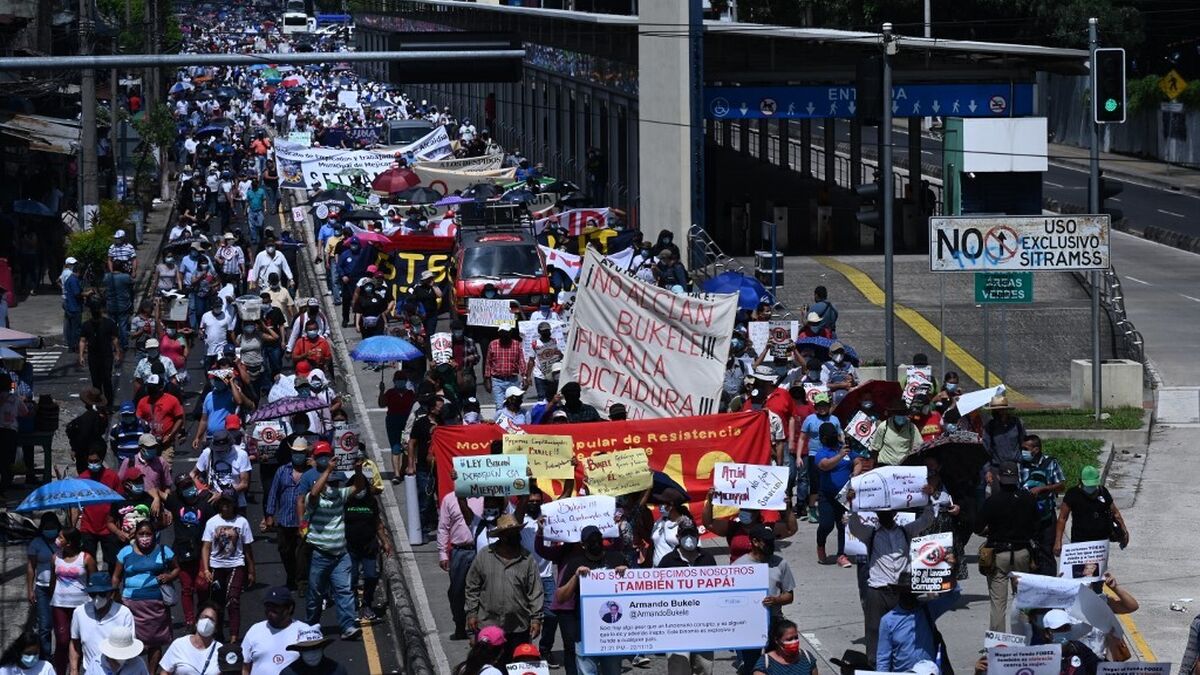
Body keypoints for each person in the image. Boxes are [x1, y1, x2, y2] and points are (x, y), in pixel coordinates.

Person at [846, 499, 935, 667]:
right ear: (877, 515)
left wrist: (927, 500)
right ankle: (874, 665)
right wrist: (853, 504)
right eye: (881, 513)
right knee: (874, 630)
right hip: (877, 590)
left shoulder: (906, 531)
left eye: (888, 513)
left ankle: (899, 663)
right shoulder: (870, 534)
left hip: (902, 591)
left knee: (904, 630)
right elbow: (854, 526)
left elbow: (926, 520)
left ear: (895, 514)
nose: (885, 516)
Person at [301, 453, 360, 640]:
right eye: (331, 483)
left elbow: (358, 486)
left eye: (337, 483)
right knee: (315, 594)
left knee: (345, 590)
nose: (335, 487)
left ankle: (348, 626)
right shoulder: (315, 499)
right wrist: (328, 470)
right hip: (320, 554)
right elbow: (315, 492)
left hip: (340, 554)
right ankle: (311, 625)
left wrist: (358, 468)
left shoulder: (340, 496)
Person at [465, 513, 544, 654]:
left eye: (516, 532)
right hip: (488, 625)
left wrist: (536, 619)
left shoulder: (527, 559)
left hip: (518, 627)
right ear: (502, 536)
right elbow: (472, 586)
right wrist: (471, 613)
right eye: (511, 533)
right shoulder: (484, 555)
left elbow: (535, 591)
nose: (516, 536)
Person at [555, 525, 628, 675]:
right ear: (583, 544)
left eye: (598, 539)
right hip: (584, 631)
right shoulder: (575, 562)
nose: (595, 543)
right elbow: (561, 597)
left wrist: (627, 574)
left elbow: (636, 590)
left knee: (613, 671)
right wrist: (576, 577)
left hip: (613, 631)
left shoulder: (616, 558)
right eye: (591, 541)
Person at [975, 461, 1039, 631]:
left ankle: (998, 645)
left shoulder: (992, 501)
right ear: (1017, 477)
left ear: (998, 477)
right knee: (1023, 600)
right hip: (1022, 553)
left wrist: (989, 531)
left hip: (999, 553)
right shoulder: (1028, 498)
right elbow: (1036, 525)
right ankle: (1025, 638)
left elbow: (977, 527)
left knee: (998, 603)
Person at [112, 519, 177, 673]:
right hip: (130, 604)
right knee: (129, 642)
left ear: (154, 535)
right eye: (141, 534)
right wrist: (115, 595)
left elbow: (176, 569)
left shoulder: (164, 550)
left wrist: (169, 577)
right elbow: (116, 576)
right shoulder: (125, 552)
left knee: (155, 643)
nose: (145, 537)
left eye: (148, 534)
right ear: (135, 535)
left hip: (156, 605)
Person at [657, 524, 717, 675]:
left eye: (692, 535)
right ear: (678, 537)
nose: (689, 539)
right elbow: (657, 593)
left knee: (705, 667)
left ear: (698, 537)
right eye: (685, 534)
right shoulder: (667, 561)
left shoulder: (708, 558)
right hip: (676, 626)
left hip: (704, 625)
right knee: (679, 668)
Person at [737, 526, 797, 675]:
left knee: (776, 664)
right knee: (751, 665)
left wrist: (776, 600)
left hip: (774, 621)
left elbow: (789, 596)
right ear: (755, 542)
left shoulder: (781, 563)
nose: (771, 546)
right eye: (767, 543)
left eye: (772, 542)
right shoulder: (739, 566)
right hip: (750, 623)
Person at [200, 491, 255, 643]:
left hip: (236, 565)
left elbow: (247, 548)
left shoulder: (242, 522)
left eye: (228, 503)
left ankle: (234, 637)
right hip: (217, 567)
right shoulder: (212, 522)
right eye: (223, 503)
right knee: (217, 603)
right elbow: (206, 546)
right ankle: (217, 635)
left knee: (233, 600)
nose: (225, 507)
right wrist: (206, 569)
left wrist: (251, 570)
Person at [875, 574, 960, 672]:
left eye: (912, 593)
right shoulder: (888, 621)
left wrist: (946, 572)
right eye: (905, 593)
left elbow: (954, 595)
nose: (909, 597)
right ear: (899, 594)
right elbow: (883, 658)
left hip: (928, 671)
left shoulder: (928, 610)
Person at [164, 474, 215, 626]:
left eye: (190, 485)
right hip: (182, 552)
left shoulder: (205, 502)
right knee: (187, 588)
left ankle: (203, 615)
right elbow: (155, 490)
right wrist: (155, 499)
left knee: (202, 585)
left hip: (201, 551)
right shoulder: (174, 501)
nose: (188, 489)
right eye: (184, 487)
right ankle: (190, 621)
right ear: (179, 490)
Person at [344, 471, 392, 622]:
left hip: (369, 546)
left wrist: (385, 541)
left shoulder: (371, 502)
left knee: (371, 576)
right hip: (350, 547)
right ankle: (353, 607)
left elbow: (377, 523)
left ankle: (367, 603)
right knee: (351, 579)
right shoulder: (345, 502)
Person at [1054, 465, 1129, 557]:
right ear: (1080, 481)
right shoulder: (1072, 494)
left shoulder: (1103, 492)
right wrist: (1058, 541)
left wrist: (1124, 532)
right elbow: (1062, 518)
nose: (1091, 487)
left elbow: (1115, 513)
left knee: (1098, 570)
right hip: (1080, 542)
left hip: (1101, 542)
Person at [69, 572, 135, 675]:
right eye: (93, 594)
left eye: (102, 594)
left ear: (110, 593)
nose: (97, 598)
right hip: (91, 671)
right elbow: (74, 643)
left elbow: (130, 647)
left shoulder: (124, 614)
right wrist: (73, 669)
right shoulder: (79, 613)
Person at [266, 438, 309, 591]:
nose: (298, 455)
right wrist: (269, 514)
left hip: (303, 522)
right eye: (295, 452)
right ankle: (291, 576)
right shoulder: (282, 471)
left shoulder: (310, 473)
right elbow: (273, 493)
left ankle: (302, 582)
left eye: (301, 453)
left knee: (302, 554)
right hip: (284, 520)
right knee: (285, 551)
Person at [51, 528, 96, 675]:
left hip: (81, 606)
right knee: (62, 640)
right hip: (59, 605)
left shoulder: (86, 558)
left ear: (69, 543)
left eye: (61, 537)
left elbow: (94, 582)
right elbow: (53, 581)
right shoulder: (55, 557)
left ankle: (79, 669)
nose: (57, 539)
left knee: (81, 640)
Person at [1018, 434, 1065, 574]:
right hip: (1026, 516)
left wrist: (1044, 489)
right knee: (1028, 552)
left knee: (1046, 552)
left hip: (1046, 516)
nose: (1023, 451)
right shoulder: (1020, 464)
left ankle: (1049, 584)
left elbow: (1061, 486)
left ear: (1036, 449)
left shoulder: (1050, 463)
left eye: (1026, 448)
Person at [241, 587, 313, 675]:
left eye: (276, 606)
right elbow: (245, 666)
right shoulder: (255, 630)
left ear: (290, 608)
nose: (270, 610)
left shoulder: (306, 631)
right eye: (268, 606)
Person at [813, 423, 853, 567]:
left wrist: (856, 471)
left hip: (844, 495)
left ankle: (842, 555)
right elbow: (825, 465)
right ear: (823, 439)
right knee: (826, 525)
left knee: (844, 525)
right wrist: (840, 455)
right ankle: (820, 544)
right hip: (827, 496)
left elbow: (858, 461)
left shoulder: (845, 449)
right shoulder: (822, 453)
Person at [26, 513, 59, 659]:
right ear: (42, 528)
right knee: (45, 626)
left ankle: (62, 654)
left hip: (61, 588)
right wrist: (30, 590)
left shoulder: (63, 541)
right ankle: (46, 657)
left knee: (62, 625)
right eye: (47, 527)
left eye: (53, 527)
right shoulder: (36, 543)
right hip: (42, 588)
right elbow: (31, 567)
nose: (50, 530)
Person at [159, 601, 224, 675]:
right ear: (197, 622)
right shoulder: (179, 644)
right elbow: (165, 672)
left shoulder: (220, 650)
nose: (207, 621)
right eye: (204, 617)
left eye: (211, 619)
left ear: (216, 628)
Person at [79, 301, 122, 406]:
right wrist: (81, 356)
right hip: (93, 356)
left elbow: (114, 339)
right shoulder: (86, 325)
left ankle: (109, 404)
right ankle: (98, 404)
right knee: (96, 382)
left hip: (106, 356)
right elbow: (83, 340)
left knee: (107, 380)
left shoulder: (109, 323)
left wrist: (117, 352)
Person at [752, 620, 817, 675]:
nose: (794, 642)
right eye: (789, 639)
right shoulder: (764, 665)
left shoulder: (807, 658)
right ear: (777, 640)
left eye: (796, 638)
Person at [483, 328, 525, 411]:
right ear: (499, 333)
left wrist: (525, 377)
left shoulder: (517, 344)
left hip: (512, 380)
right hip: (498, 381)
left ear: (510, 333)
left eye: (507, 333)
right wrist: (487, 380)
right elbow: (488, 363)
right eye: (502, 333)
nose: (505, 335)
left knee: (514, 405)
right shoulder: (493, 344)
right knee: (500, 406)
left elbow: (521, 361)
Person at [981, 396, 1025, 471]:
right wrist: (987, 470)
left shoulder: (1017, 423)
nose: (997, 412)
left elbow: (1023, 443)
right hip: (997, 467)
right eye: (995, 410)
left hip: (1016, 466)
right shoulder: (989, 427)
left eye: (1000, 410)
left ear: (1006, 410)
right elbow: (986, 450)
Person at [279, 626, 346, 675]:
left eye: (316, 648)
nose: (312, 655)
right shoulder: (288, 673)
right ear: (300, 651)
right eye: (306, 650)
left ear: (322, 648)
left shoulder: (337, 670)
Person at [63, 256, 85, 352]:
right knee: (76, 328)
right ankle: (75, 346)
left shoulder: (70, 278)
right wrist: (86, 294)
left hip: (69, 306)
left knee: (71, 327)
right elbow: (77, 293)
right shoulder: (74, 280)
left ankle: (72, 346)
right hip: (74, 307)